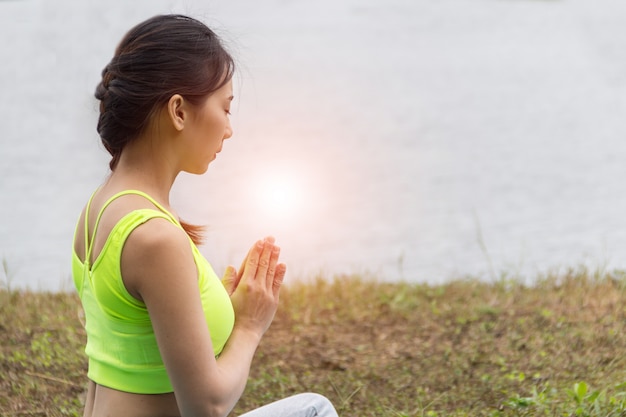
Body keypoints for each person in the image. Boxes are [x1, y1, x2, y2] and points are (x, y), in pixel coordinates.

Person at [71, 14, 338, 417]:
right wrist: (249, 325)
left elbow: (132, 353)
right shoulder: (155, 238)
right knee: (314, 411)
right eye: (225, 108)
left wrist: (212, 309)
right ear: (178, 111)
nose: (229, 129)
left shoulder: (100, 207)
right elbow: (206, 406)